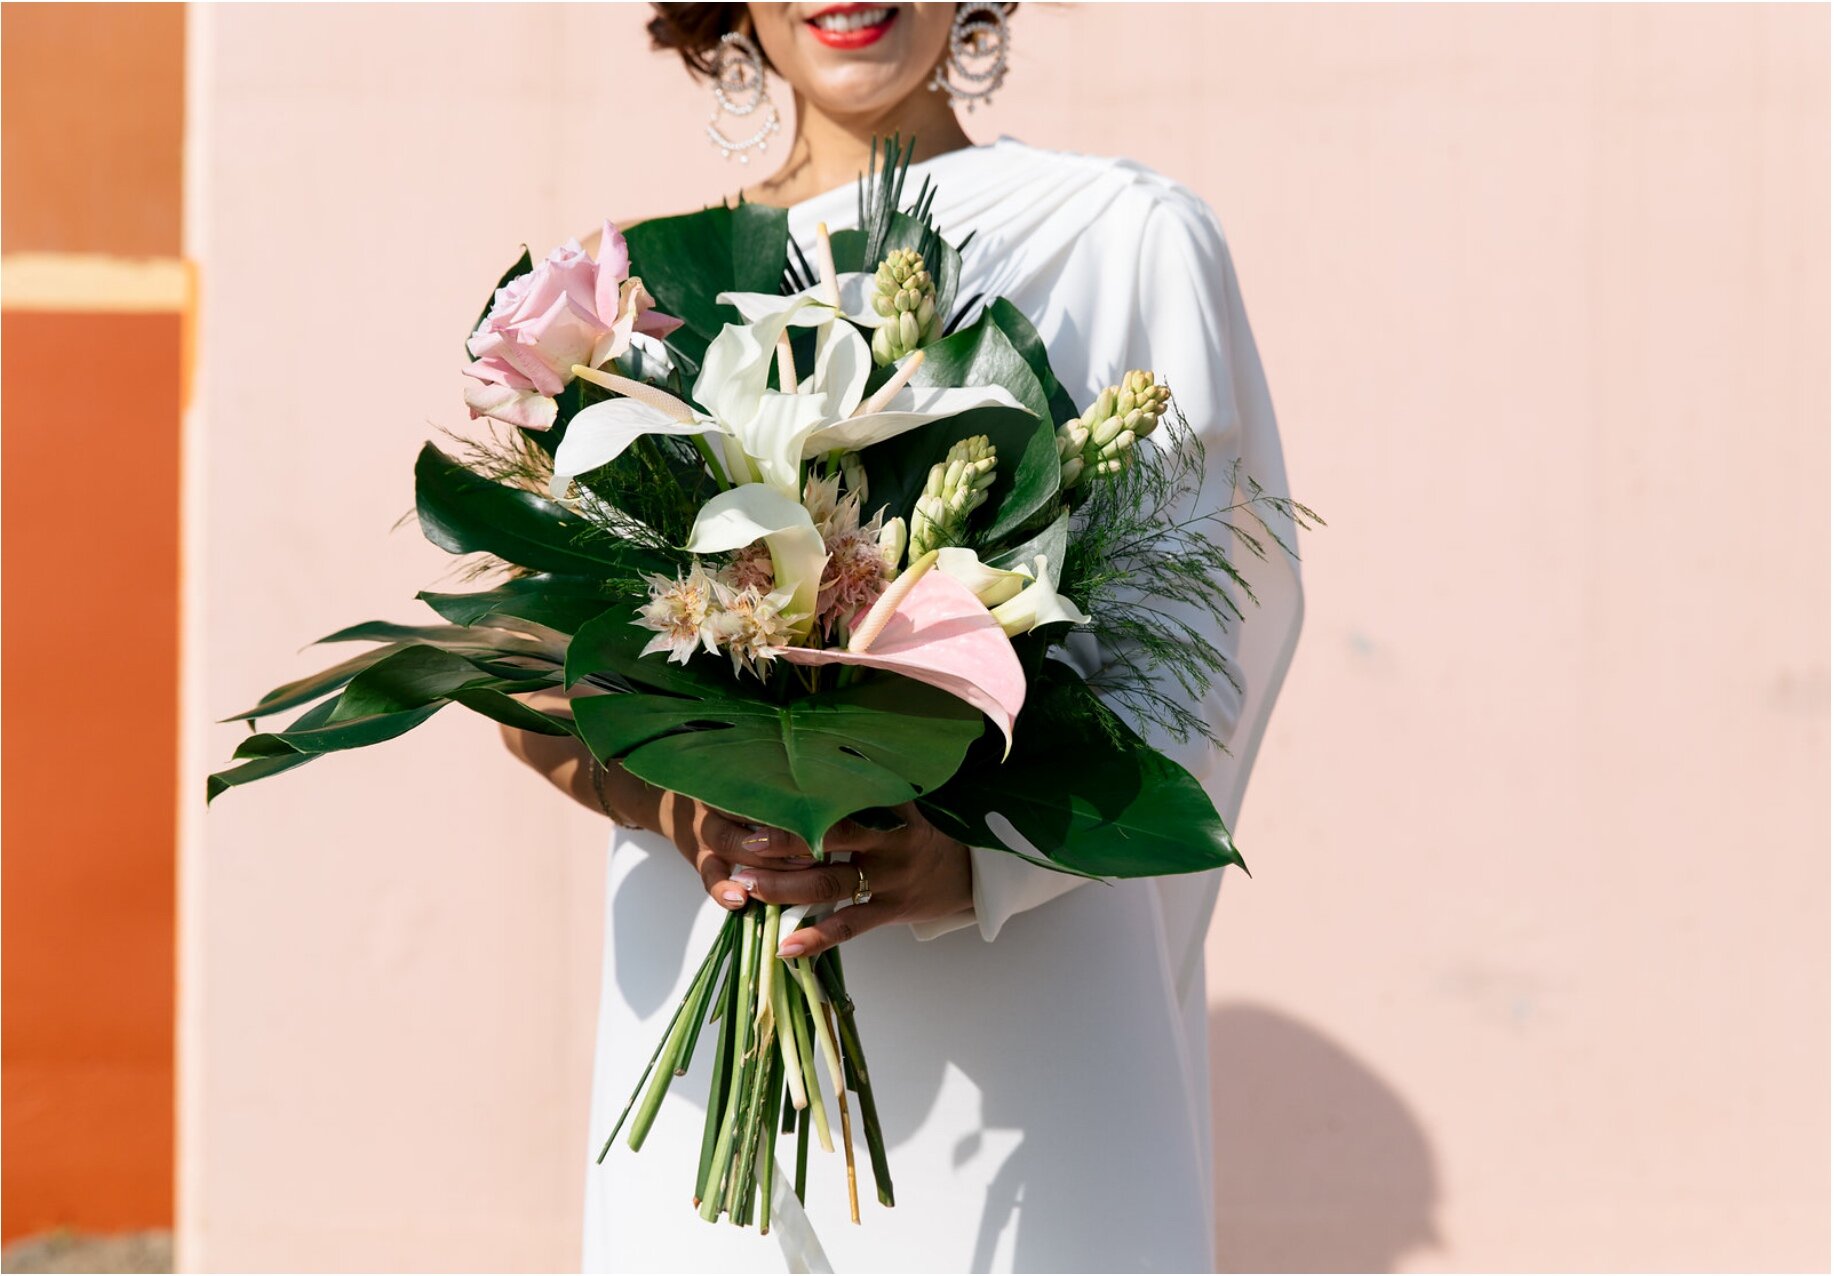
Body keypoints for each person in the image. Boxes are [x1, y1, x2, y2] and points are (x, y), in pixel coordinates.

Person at [500, 4, 1305, 1271]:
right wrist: (692, 810)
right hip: (718, 999)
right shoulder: (636, 304)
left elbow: (1217, 627)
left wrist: (979, 866)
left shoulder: (1122, 238)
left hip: (1026, 1010)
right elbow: (525, 663)